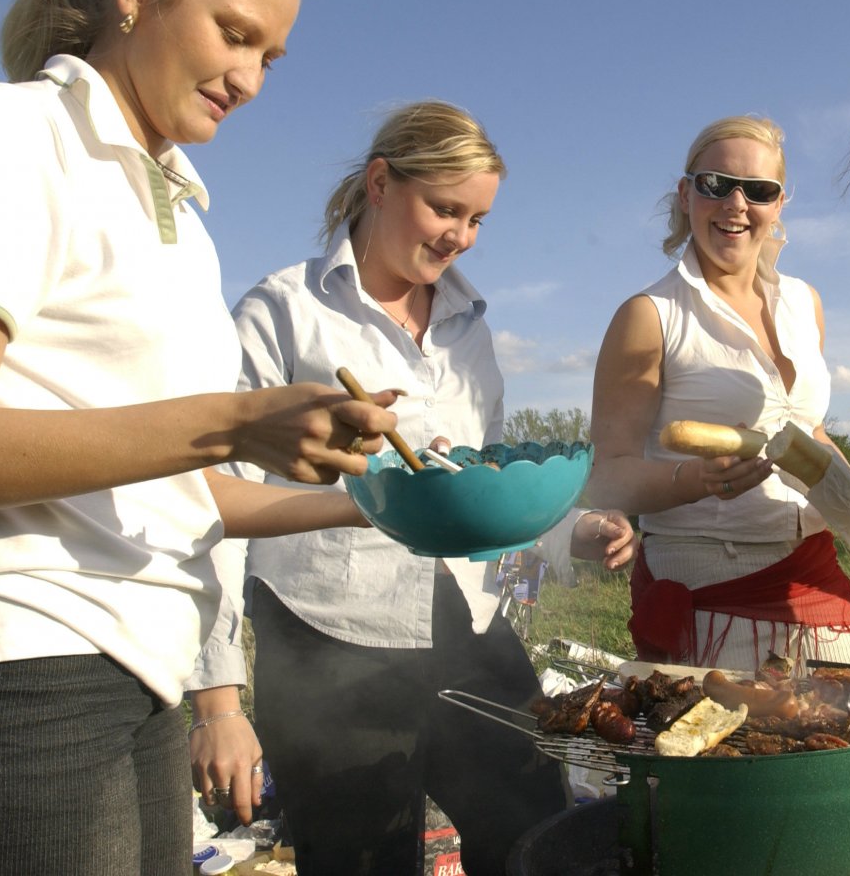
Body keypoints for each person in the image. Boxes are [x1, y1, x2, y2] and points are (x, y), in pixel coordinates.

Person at [0, 0, 405, 876]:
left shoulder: (179, 219)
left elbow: (182, 491)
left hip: (143, 672)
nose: (249, 77)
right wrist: (234, 418)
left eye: (271, 58)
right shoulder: (1, 136)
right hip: (11, 666)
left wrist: (380, 507)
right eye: (234, 34)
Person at [186, 100, 635, 876]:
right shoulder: (285, 312)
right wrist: (220, 702)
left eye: (477, 219)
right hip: (328, 641)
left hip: (472, 629)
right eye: (445, 207)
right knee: (360, 859)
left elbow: (489, 488)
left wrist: (571, 533)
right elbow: (211, 503)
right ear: (381, 183)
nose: (459, 235)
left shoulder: (471, 328)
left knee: (539, 837)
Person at [587, 115, 850, 675]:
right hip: (707, 574)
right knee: (746, 752)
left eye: (758, 191)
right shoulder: (649, 315)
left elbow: (810, 435)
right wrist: (695, 481)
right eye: (715, 184)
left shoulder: (806, 303)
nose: (736, 203)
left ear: (779, 204)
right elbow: (606, 472)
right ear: (686, 195)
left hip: (813, 567)